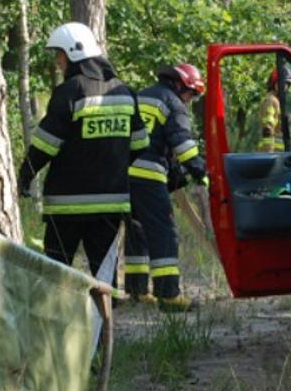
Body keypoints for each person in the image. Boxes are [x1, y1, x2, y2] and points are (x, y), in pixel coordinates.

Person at [20, 22, 147, 277]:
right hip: (111, 204)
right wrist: (112, 166)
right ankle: (105, 317)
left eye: (59, 55)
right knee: (104, 277)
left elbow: (45, 145)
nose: (58, 62)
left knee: (56, 275)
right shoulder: (124, 91)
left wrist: (25, 176)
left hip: (67, 205)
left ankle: (57, 317)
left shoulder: (71, 91)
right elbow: (139, 145)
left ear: (72, 53)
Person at [126, 63, 209, 310]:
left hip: (122, 176)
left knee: (136, 232)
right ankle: (169, 295)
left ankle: (137, 290)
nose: (190, 100)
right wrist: (202, 173)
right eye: (191, 94)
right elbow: (183, 147)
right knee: (164, 232)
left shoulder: (139, 96)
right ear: (180, 85)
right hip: (148, 175)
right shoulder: (173, 104)